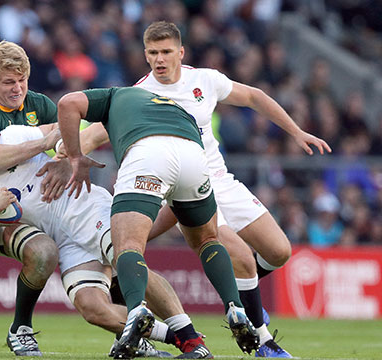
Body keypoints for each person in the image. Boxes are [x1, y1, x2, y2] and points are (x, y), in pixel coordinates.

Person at [0, 123, 213, 359]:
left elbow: (65, 129)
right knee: (92, 309)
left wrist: (65, 156)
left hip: (85, 209)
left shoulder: (9, 138)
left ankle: (192, 340)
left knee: (128, 265)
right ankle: (175, 338)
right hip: (66, 243)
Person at [134, 21, 331, 358]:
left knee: (279, 251)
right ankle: (263, 342)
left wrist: (296, 131)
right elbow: (102, 128)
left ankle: (241, 296)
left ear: (181, 53)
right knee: (241, 258)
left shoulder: (205, 80)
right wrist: (68, 149)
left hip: (222, 180)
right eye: (153, 53)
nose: (159, 59)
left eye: (166, 52)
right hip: (189, 191)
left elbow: (254, 96)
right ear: (146, 54)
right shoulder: (139, 93)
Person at [58, 86, 261, 359]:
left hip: (148, 152)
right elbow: (177, 207)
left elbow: (68, 102)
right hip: (194, 157)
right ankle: (235, 306)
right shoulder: (173, 107)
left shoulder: (113, 96)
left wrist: (75, 157)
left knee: (127, 246)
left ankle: (136, 311)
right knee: (208, 240)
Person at [0, 40, 64, 356]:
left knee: (105, 253)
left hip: (43, 200)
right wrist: (43, 141)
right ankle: (21, 329)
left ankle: (130, 331)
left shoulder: (39, 103)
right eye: (8, 82)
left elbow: (66, 137)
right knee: (43, 255)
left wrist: (61, 152)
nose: (18, 89)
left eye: (22, 80)